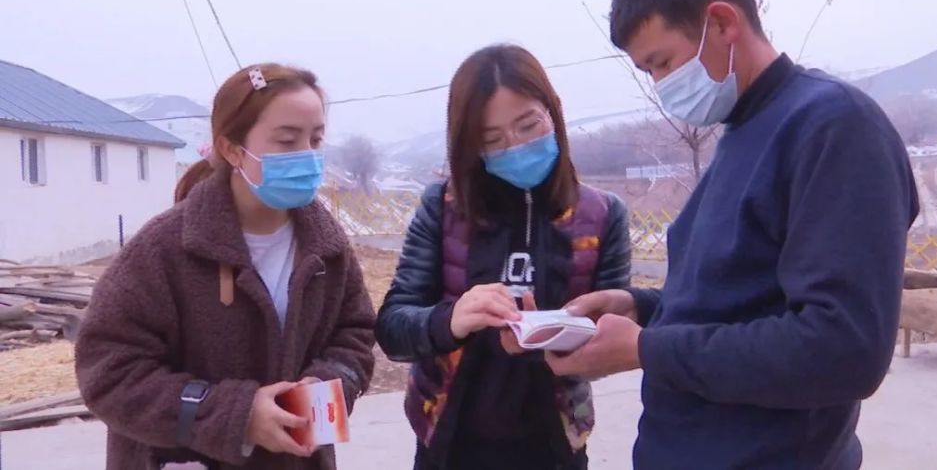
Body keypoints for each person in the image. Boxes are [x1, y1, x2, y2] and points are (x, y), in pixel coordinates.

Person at [545, 0, 919, 470]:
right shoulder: (744, 129)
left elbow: (843, 348)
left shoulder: (833, 127)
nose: (660, 87)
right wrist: (643, 309)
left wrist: (645, 349)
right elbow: (741, 295)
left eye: (663, 63)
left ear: (722, 22)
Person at [75, 64, 376, 469]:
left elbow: (354, 335)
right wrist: (236, 415)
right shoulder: (164, 249)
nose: (306, 155)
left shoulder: (328, 247)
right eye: (287, 141)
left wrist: (322, 387)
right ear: (233, 148)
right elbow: (108, 372)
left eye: (316, 139)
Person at [375, 44, 632, 470]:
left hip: (555, 443)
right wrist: (451, 320)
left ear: (553, 113)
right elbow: (393, 328)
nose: (515, 146)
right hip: (450, 441)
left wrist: (555, 337)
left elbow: (612, 336)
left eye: (529, 125)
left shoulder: (603, 215)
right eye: (491, 139)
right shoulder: (442, 208)